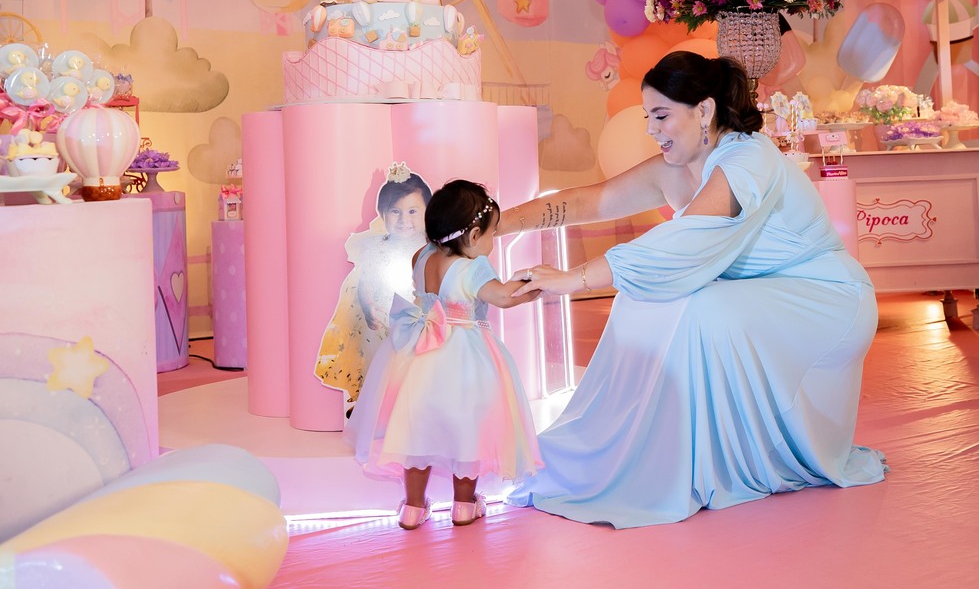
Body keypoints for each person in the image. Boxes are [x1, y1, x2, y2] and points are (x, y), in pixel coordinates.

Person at [503, 51, 886, 529]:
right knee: (643, 298)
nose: (651, 129)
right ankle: (628, 456)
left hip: (828, 300)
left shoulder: (749, 158)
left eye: (661, 115)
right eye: (648, 117)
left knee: (700, 306)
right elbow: (592, 200)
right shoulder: (676, 166)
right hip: (765, 299)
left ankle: (682, 465)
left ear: (704, 110)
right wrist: (495, 223)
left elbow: (687, 239)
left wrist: (573, 278)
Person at [346, 179, 543, 529]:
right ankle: (464, 506)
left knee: (416, 431)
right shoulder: (474, 266)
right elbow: (502, 296)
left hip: (418, 353)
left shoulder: (421, 256)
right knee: (467, 429)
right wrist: (534, 283)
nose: (493, 242)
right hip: (464, 358)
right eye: (492, 233)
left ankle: (412, 507)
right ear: (474, 235)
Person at [314, 162, 431, 409]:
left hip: (417, 321)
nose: (404, 220)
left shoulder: (430, 249)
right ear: (382, 214)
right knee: (378, 364)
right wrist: (368, 308)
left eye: (412, 211)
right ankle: (372, 406)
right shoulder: (377, 247)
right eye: (395, 212)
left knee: (415, 368)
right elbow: (365, 281)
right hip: (381, 321)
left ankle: (411, 408)